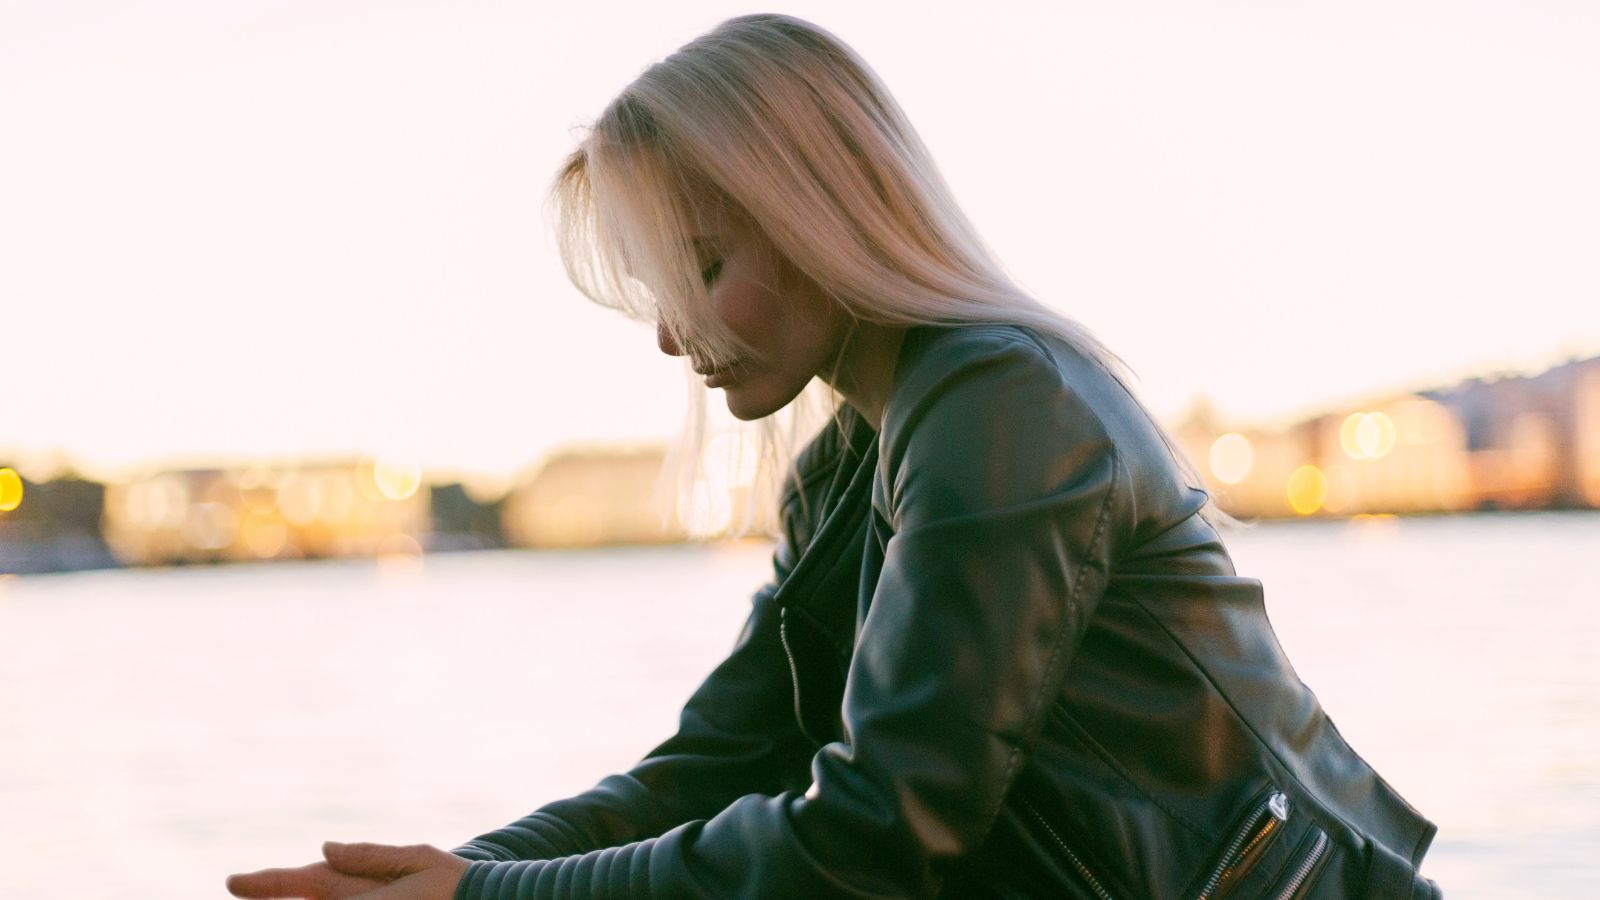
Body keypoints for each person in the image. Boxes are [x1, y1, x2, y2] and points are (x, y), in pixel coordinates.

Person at [227, 13, 1440, 899]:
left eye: (702, 268)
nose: (669, 332)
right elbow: (718, 763)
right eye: (659, 285)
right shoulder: (849, 463)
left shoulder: (1003, 407)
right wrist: (451, 874)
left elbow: (882, 828)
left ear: (822, 214)